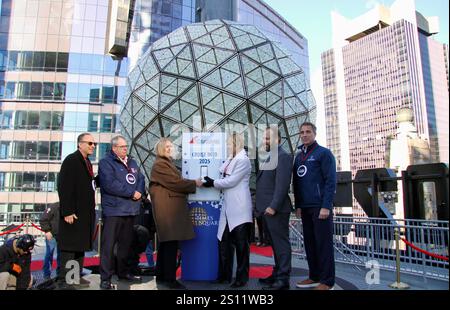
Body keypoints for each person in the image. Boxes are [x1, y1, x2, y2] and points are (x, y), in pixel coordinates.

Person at [149, 138, 203, 289]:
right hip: (168, 211)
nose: (169, 148)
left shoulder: (165, 163)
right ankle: (170, 279)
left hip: (170, 209)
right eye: (166, 146)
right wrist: (194, 183)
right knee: (170, 245)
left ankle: (162, 276)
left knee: (166, 244)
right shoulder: (161, 164)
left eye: (170, 146)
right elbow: (175, 183)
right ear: (160, 149)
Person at [203, 133, 253, 288]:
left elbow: (231, 181)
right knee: (223, 242)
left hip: (240, 208)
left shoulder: (243, 160)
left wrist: (213, 183)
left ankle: (241, 278)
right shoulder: (230, 160)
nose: (227, 147)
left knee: (241, 245)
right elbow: (222, 175)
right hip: (227, 207)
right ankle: (224, 275)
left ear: (237, 144)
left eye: (229, 144)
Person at [293, 122, 336, 290]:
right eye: (302, 132)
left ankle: (327, 281)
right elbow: (296, 183)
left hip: (320, 207)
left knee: (323, 244)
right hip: (305, 207)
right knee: (310, 243)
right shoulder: (298, 156)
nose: (304, 134)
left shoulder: (324, 153)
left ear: (314, 134)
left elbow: (331, 181)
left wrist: (326, 205)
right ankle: (314, 276)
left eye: (308, 132)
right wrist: (298, 205)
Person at [98, 135, 146, 289]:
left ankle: (123, 272)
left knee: (126, 245)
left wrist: (139, 191)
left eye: (126, 146)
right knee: (108, 246)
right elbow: (109, 184)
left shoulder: (132, 161)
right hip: (114, 210)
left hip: (130, 211)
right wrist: (132, 193)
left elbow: (141, 178)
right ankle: (105, 278)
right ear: (114, 148)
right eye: (122, 146)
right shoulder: (106, 162)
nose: (126, 148)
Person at [56, 133, 97, 290]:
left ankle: (75, 277)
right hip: (72, 214)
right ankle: (65, 280)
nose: (93, 146)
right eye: (90, 143)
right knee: (70, 247)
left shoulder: (87, 162)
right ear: (80, 144)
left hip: (84, 214)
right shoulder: (72, 160)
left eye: (94, 144)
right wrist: (67, 211)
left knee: (79, 247)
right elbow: (64, 186)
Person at [256, 127, 293, 290]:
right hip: (268, 210)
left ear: (277, 139)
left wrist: (273, 206)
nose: (265, 141)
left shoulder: (283, 156)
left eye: (268, 138)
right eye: (264, 138)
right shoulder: (271, 156)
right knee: (276, 245)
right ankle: (277, 273)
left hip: (275, 210)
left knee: (281, 244)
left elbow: (282, 185)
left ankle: (283, 279)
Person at [39, 202, 61, 280]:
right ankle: (46, 275)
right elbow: (43, 219)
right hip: (52, 235)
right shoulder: (54, 206)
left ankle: (59, 274)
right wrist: (47, 231)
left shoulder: (69, 207)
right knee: (49, 255)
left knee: (61, 256)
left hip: (62, 236)